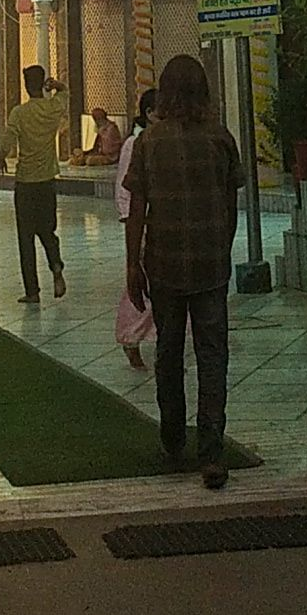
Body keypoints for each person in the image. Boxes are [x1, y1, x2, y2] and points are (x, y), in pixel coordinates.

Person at [123, 53, 242, 487]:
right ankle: (211, 452)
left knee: (169, 352)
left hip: (165, 262)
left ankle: (172, 437)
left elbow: (137, 208)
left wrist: (132, 264)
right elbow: (231, 205)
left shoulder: (148, 142)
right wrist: (223, 246)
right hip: (211, 263)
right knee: (213, 356)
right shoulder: (220, 137)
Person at [0, 64, 69, 304]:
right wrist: (56, 86)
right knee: (47, 231)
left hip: (26, 182)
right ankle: (56, 266)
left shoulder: (20, 113)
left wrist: (1, 156)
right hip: (47, 180)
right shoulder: (52, 108)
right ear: (43, 84)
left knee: (26, 238)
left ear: (26, 85)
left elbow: (8, 137)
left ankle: (32, 291)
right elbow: (65, 94)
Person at [113, 88, 157, 368]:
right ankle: (131, 335)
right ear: (150, 113)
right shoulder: (135, 144)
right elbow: (125, 189)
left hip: (163, 223)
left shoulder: (162, 142)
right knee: (145, 283)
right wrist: (133, 224)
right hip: (143, 225)